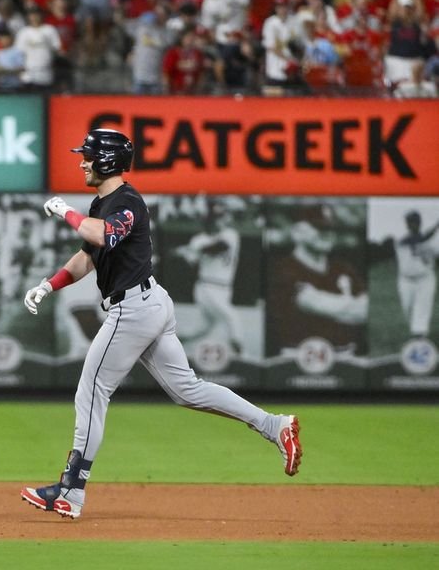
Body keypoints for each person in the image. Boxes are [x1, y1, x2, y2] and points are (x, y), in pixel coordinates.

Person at [20, 129, 302, 519]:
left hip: (133, 309)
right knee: (187, 390)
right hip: (148, 303)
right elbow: (87, 257)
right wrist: (48, 285)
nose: (82, 162)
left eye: (87, 156)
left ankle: (70, 491)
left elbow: (102, 236)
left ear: (106, 161)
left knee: (91, 391)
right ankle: (275, 425)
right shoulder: (102, 202)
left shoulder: (128, 201)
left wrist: (64, 211)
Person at [266, 203, 368, 355]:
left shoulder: (343, 268)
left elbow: (366, 310)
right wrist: (352, 305)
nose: (327, 233)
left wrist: (342, 308)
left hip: (347, 356)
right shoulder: (282, 269)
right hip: (298, 360)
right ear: (297, 232)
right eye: (319, 227)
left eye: (330, 228)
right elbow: (314, 304)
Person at [173, 200, 244, 353]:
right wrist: (187, 255)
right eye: (217, 218)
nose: (222, 221)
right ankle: (241, 353)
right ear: (209, 221)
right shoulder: (198, 240)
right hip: (208, 287)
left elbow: (219, 247)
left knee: (203, 328)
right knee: (232, 317)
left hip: (224, 289)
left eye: (222, 217)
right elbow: (192, 264)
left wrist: (194, 250)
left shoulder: (230, 235)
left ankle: (175, 341)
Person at [394, 210, 439, 339]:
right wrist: (437, 225)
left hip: (425, 279)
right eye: (409, 222)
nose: (411, 225)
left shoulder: (431, 241)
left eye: (414, 222)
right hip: (405, 280)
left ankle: (420, 334)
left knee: (423, 307)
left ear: (419, 223)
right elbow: (416, 240)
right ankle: (416, 330)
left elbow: (427, 243)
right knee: (407, 308)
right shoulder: (401, 240)